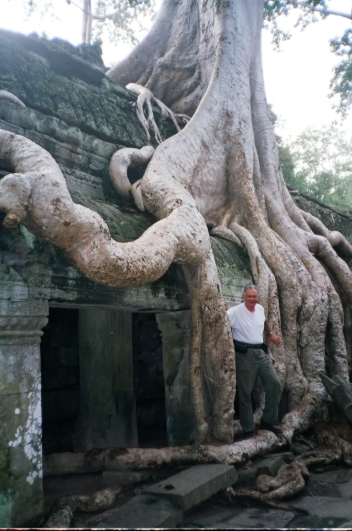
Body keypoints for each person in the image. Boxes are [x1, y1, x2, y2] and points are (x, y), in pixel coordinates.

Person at [227, 285, 283, 438]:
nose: (252, 299)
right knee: (245, 392)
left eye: (254, 296)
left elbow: (263, 320)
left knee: (274, 384)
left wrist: (270, 333)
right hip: (245, 354)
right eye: (249, 296)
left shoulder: (259, 308)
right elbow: (221, 318)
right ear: (244, 296)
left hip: (261, 352)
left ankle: (268, 420)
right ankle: (247, 429)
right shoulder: (235, 311)